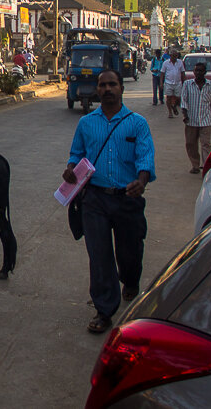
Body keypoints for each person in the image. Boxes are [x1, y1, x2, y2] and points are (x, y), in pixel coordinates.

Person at [61, 68, 156, 334]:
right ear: (97, 89)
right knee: (99, 256)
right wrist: (70, 168)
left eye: (112, 84)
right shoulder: (86, 123)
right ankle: (104, 309)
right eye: (102, 85)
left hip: (128, 199)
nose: (107, 89)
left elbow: (145, 157)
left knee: (129, 252)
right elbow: (76, 153)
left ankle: (130, 280)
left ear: (121, 88)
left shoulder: (137, 123)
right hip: (95, 200)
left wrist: (142, 180)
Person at [180, 62, 211, 174]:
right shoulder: (187, 84)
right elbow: (184, 100)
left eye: (200, 71)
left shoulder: (210, 85)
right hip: (191, 120)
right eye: (196, 71)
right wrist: (185, 115)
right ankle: (195, 165)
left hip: (205, 120)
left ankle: (206, 166)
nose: (198, 73)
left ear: (205, 72)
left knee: (206, 144)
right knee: (191, 144)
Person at [161, 49, 185, 117]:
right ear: (170, 55)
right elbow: (162, 73)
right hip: (168, 83)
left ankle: (174, 106)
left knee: (179, 97)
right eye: (173, 55)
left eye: (176, 55)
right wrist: (161, 83)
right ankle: (170, 112)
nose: (175, 57)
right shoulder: (165, 63)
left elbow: (183, 73)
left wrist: (185, 82)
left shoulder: (180, 62)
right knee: (168, 97)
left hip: (178, 83)